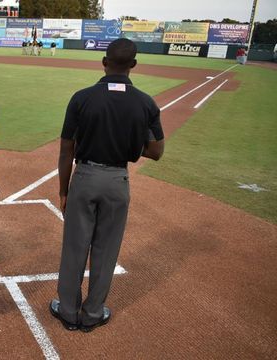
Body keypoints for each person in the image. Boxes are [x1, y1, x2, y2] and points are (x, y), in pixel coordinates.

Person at [49, 38, 165, 333]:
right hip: (118, 181)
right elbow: (156, 151)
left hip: (84, 178)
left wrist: (64, 190)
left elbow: (66, 150)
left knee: (75, 247)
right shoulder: (145, 103)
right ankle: (93, 314)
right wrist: (126, 142)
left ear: (104, 61)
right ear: (134, 65)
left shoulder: (82, 98)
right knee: (106, 250)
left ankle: (68, 310)